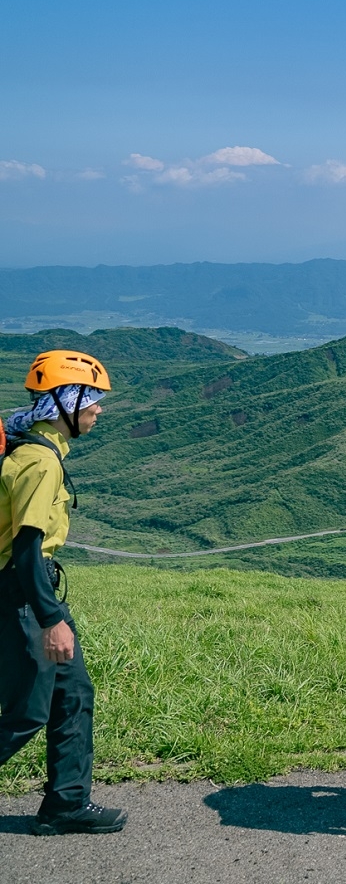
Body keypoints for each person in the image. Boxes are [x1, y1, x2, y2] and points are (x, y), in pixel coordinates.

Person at [0, 351, 128, 836]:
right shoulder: (39, 462)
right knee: (26, 714)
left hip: (33, 592)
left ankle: (66, 804)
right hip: (21, 595)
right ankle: (66, 804)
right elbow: (27, 551)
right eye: (92, 400)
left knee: (73, 694)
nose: (99, 410)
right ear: (65, 403)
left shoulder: (40, 449)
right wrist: (51, 619)